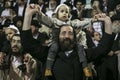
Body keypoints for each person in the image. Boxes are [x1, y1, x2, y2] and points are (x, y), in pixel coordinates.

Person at [48, 13, 113, 80]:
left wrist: (108, 23)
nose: (67, 36)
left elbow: (103, 49)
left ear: (75, 37)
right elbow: (36, 48)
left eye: (70, 33)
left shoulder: (82, 53)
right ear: (58, 36)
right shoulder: (49, 53)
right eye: (63, 33)